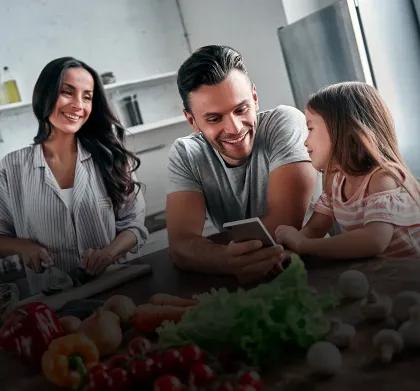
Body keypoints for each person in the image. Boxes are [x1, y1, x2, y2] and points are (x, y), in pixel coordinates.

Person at [166, 45, 316, 283]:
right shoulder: (187, 153)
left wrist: (215, 256)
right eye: (215, 118)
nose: (235, 128)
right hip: (248, 282)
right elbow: (180, 245)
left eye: (241, 109)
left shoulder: (284, 123)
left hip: (315, 269)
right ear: (191, 120)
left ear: (255, 98)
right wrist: (225, 260)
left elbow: (280, 229)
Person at [0, 57, 148, 293]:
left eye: (87, 96)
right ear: (44, 95)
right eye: (67, 92)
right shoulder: (12, 167)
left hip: (118, 289)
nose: (79, 105)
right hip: (53, 304)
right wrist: (24, 247)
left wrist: (109, 254)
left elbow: (135, 225)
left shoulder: (114, 159)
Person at [275, 82, 420, 260]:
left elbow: (374, 241)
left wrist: (303, 245)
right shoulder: (335, 182)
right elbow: (314, 230)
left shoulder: (382, 179)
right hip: (379, 276)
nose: (305, 142)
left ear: (342, 130)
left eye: (310, 129)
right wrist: (286, 254)